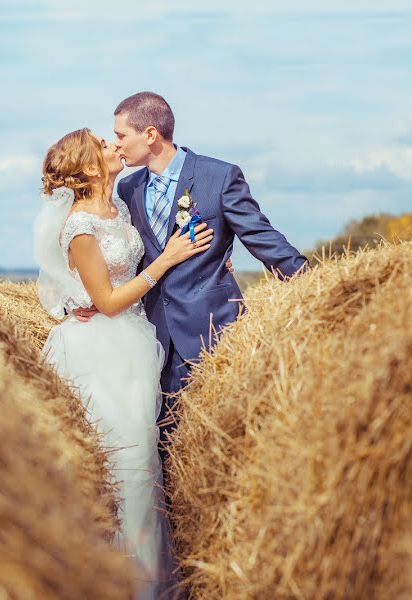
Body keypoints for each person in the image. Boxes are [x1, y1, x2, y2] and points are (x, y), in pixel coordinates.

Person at [75, 92, 308, 482]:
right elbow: (118, 258)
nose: (115, 144)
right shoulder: (128, 189)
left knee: (225, 453)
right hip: (150, 341)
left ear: (150, 134)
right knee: (161, 455)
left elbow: (262, 238)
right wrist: (91, 302)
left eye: (120, 135)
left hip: (213, 334)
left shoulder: (219, 176)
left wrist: (315, 287)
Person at [33, 127, 209, 599]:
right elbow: (107, 302)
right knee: (122, 463)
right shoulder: (80, 227)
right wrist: (169, 259)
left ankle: (146, 582)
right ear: (90, 166)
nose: (115, 146)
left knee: (143, 461)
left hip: (135, 344)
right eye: (105, 143)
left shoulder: (119, 208)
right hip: (100, 351)